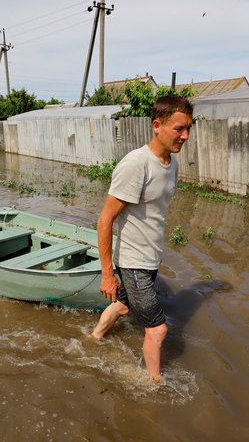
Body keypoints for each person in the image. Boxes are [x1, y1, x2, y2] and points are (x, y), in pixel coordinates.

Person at [90, 94, 193, 382]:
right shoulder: (136, 164)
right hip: (133, 261)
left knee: (123, 305)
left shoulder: (171, 164)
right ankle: (154, 385)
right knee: (158, 329)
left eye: (188, 129)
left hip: (149, 258)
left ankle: (94, 337)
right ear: (157, 125)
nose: (185, 136)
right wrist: (107, 274)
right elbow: (105, 219)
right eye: (179, 129)